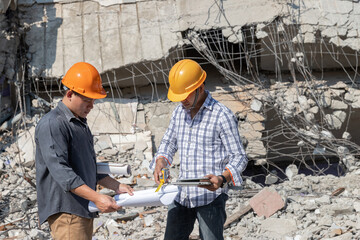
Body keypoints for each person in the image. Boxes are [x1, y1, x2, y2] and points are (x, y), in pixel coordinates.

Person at [150, 59, 248, 240]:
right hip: (182, 195)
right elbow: (168, 143)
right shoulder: (179, 112)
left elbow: (239, 158)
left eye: (185, 95)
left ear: (200, 88)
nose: (181, 101)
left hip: (210, 198)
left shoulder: (222, 116)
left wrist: (221, 178)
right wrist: (161, 161)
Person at [35, 62, 134, 240]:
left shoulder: (79, 124)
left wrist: (116, 186)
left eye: (94, 100)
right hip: (67, 213)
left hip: (81, 209)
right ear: (70, 94)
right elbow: (62, 173)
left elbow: (87, 167)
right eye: (87, 100)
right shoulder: (53, 124)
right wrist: (97, 197)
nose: (92, 106)